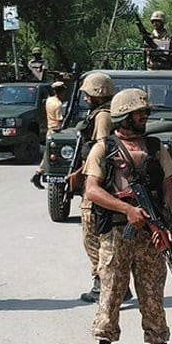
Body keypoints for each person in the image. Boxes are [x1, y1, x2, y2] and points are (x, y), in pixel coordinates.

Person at [84, 88, 172, 344]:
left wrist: (160, 217)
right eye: (140, 113)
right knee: (111, 294)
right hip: (116, 234)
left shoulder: (155, 147)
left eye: (146, 112)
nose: (145, 117)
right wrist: (126, 209)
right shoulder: (104, 148)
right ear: (124, 116)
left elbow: (168, 182)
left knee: (152, 296)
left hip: (149, 237)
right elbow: (91, 190)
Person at [64, 72, 131, 303]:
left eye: (87, 93)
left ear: (96, 94)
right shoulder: (102, 113)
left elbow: (102, 150)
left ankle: (104, 283)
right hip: (94, 177)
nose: (84, 98)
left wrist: (81, 172)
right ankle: (115, 284)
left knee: (92, 237)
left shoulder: (102, 116)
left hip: (97, 183)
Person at [31, 81, 68, 189]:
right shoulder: (58, 104)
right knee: (52, 156)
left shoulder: (49, 100)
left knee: (46, 155)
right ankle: (38, 174)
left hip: (49, 130)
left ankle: (38, 174)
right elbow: (60, 121)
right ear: (61, 92)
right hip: (56, 132)